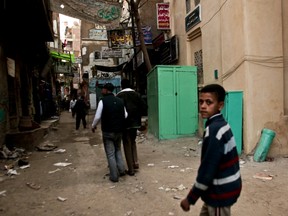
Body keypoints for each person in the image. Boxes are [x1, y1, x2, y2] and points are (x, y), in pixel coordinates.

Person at [180, 84, 242, 216]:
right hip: (216, 190)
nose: (203, 106)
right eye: (201, 101)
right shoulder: (220, 124)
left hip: (220, 193)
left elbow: (208, 169)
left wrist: (190, 198)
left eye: (209, 102)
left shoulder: (215, 130)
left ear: (220, 105)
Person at [91, 83, 127, 182]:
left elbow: (98, 116)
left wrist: (93, 126)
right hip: (119, 130)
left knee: (110, 153)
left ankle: (114, 176)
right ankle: (122, 170)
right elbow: (125, 115)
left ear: (106, 90)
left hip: (108, 131)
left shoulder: (102, 101)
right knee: (118, 150)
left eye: (103, 89)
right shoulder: (120, 101)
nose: (102, 91)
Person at [116, 78, 147, 176]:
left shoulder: (119, 96)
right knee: (133, 141)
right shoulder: (136, 95)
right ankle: (135, 162)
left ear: (122, 85)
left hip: (125, 124)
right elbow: (144, 107)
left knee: (126, 143)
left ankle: (131, 169)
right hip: (135, 123)